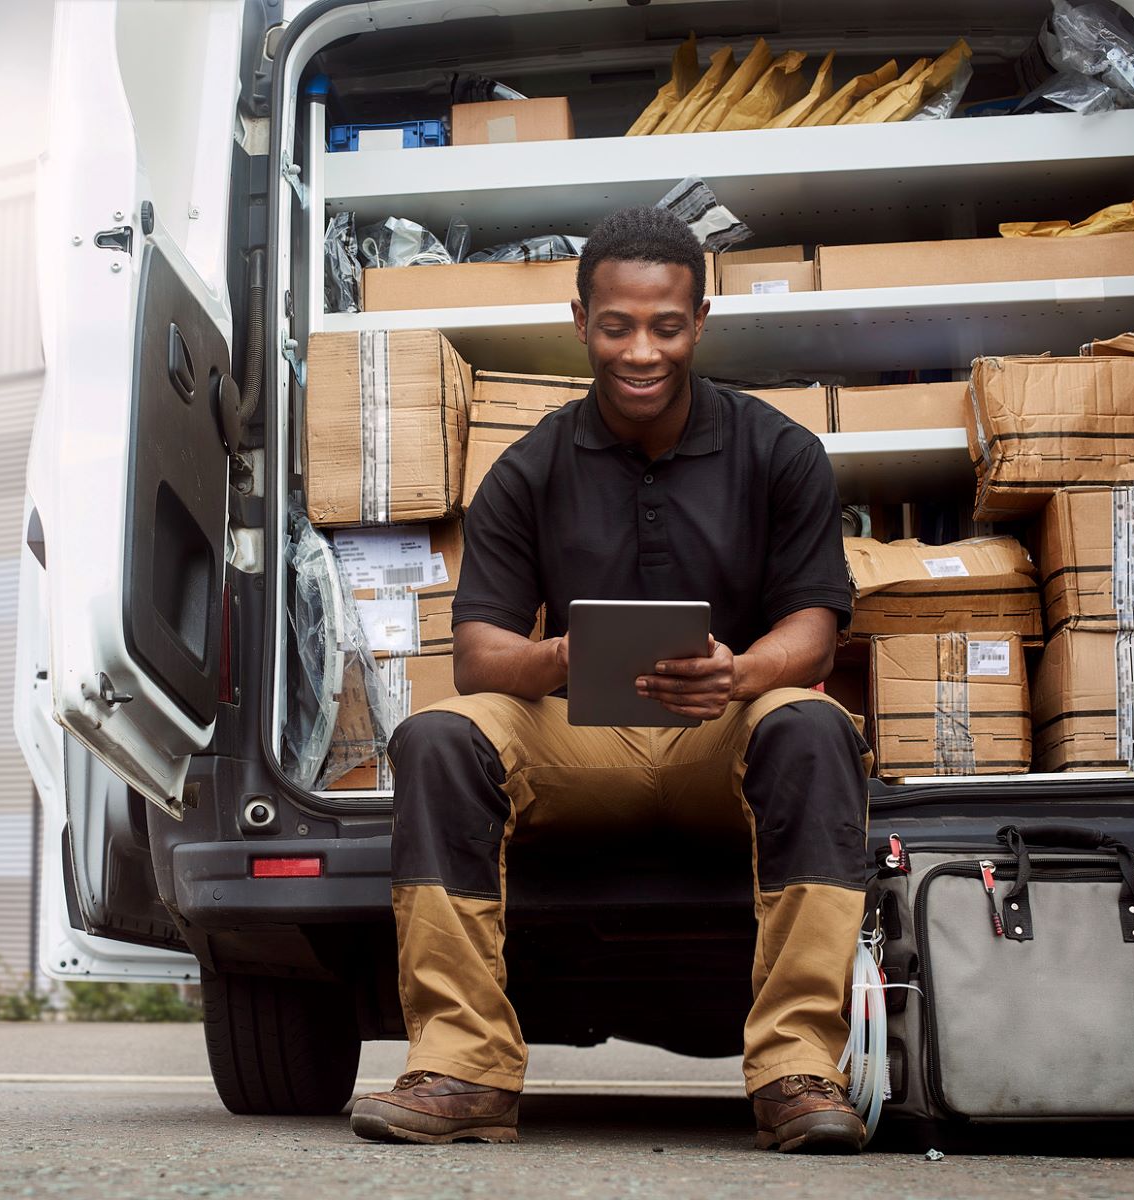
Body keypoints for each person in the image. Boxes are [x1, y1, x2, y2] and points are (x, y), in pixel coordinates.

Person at [348, 206, 872, 1154]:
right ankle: (463, 1069)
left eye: (665, 326)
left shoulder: (777, 451)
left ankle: (797, 1070)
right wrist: (562, 658)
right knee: (438, 736)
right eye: (617, 326)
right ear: (580, 320)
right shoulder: (529, 466)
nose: (641, 351)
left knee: (812, 723)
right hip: (577, 741)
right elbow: (477, 653)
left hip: (723, 734)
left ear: (698, 321)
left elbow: (815, 628)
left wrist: (741, 672)